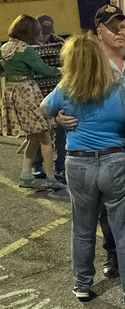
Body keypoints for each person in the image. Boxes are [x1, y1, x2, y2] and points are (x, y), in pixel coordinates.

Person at [41, 34, 125, 309]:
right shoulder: (118, 88)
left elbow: (41, 110)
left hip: (78, 163)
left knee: (83, 228)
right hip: (117, 162)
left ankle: (83, 284)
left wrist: (60, 117)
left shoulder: (65, 90)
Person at [0, 15, 62, 189]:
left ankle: (26, 175)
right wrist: (60, 69)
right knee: (45, 135)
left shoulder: (5, 48)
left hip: (12, 92)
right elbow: (43, 69)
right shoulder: (26, 49)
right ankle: (51, 177)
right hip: (27, 91)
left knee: (33, 137)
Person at [31, 15, 66, 183]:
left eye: (47, 32)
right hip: (36, 93)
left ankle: (61, 165)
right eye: (41, 32)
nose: (44, 36)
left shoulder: (60, 43)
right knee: (38, 130)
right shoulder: (28, 45)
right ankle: (37, 165)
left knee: (62, 128)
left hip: (57, 92)